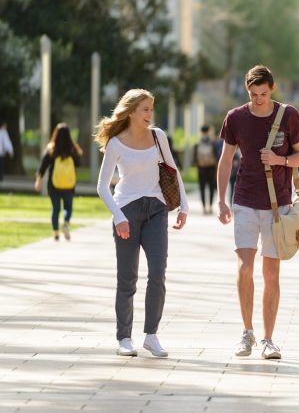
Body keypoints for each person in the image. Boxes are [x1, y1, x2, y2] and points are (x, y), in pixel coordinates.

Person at [216, 65, 299, 360]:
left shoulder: (288, 115)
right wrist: (221, 200)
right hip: (244, 200)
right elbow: (226, 160)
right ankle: (247, 333)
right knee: (244, 268)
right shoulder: (235, 118)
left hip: (276, 205)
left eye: (264, 94)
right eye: (254, 94)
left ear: (273, 88)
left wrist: (279, 160)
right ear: (247, 90)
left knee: (271, 273)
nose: (259, 99)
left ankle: (269, 339)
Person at [95, 88, 188, 358]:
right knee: (128, 278)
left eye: (151, 109)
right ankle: (124, 337)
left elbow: (172, 170)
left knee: (158, 272)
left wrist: (184, 204)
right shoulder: (115, 142)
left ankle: (151, 335)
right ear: (132, 111)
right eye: (145, 109)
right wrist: (119, 217)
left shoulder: (158, 137)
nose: (150, 114)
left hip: (157, 209)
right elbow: (102, 186)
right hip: (127, 210)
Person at [34, 123, 83, 241]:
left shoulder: (52, 149)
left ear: (55, 134)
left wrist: (38, 180)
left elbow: (43, 166)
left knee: (56, 208)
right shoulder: (72, 149)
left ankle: (56, 233)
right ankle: (66, 222)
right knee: (68, 208)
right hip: (69, 185)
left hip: (53, 184)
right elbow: (78, 163)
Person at [194, 125, 219, 214]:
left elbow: (195, 159)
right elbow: (217, 157)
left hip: (201, 169)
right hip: (211, 168)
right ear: (208, 131)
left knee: (202, 188)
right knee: (211, 188)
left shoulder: (197, 143)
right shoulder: (213, 143)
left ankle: (204, 207)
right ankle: (211, 207)